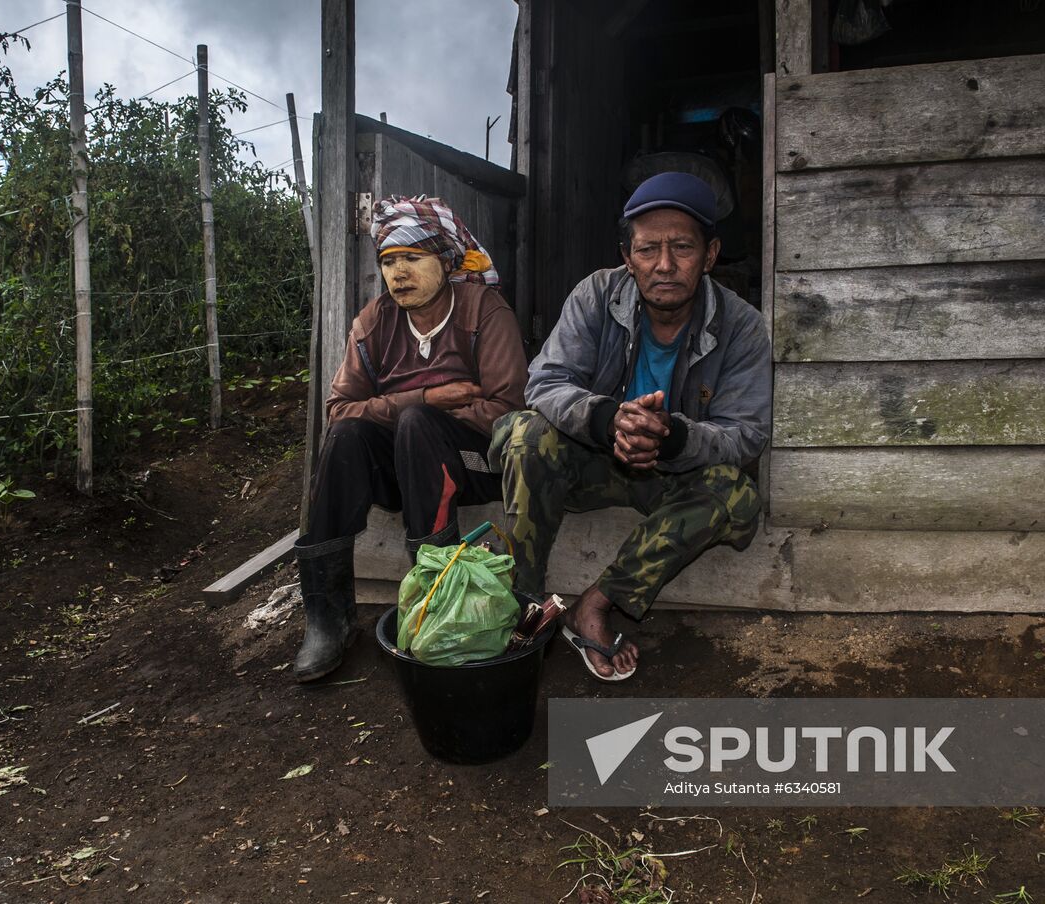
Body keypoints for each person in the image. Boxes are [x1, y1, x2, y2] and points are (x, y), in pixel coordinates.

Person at [491, 172, 771, 681]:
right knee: (525, 432)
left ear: (710, 256)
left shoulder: (743, 325)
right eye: (648, 250)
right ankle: (523, 599)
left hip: (670, 477)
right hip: (592, 462)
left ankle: (595, 604)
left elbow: (746, 434)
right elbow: (546, 382)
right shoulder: (596, 294)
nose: (664, 265)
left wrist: (673, 436)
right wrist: (606, 419)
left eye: (682, 247)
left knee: (737, 495)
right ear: (628, 256)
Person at [293, 195, 527, 682]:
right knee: (345, 437)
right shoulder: (375, 321)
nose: (398, 273)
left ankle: (436, 594)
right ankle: (327, 619)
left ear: (444, 261)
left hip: (475, 466)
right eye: (388, 262)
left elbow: (509, 409)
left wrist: (426, 416)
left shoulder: (484, 310)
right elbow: (339, 408)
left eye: (412, 259)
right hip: (402, 467)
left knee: (418, 426)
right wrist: (424, 397)